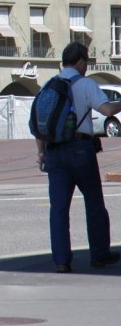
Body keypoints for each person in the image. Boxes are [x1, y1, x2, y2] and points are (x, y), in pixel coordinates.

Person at [36, 42, 121, 273]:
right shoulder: (85, 83)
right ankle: (100, 254)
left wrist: (41, 153)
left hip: (54, 151)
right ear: (81, 61)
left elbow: (39, 125)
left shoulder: (48, 85)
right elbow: (107, 112)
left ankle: (62, 261)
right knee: (94, 203)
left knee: (59, 209)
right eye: (87, 62)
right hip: (80, 149)